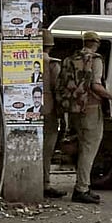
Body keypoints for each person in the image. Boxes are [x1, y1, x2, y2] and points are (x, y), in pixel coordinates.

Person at [64, 31, 112, 204]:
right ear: (96, 43)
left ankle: (84, 186)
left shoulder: (71, 59)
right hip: (90, 108)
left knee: (83, 147)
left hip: (74, 109)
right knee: (89, 149)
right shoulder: (95, 60)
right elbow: (95, 86)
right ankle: (82, 188)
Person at [40, 29, 65, 198]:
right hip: (49, 110)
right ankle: (45, 183)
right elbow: (59, 89)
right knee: (47, 150)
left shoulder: (29, 60)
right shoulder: (52, 64)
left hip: (31, 110)